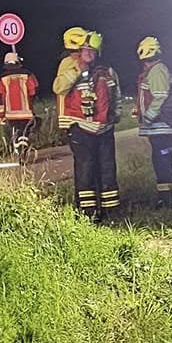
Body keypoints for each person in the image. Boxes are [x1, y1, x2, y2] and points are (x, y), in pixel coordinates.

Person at [54, 27, 119, 218]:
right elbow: (59, 88)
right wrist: (77, 70)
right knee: (86, 169)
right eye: (85, 49)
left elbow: (116, 95)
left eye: (92, 50)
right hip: (79, 127)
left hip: (104, 128)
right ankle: (88, 212)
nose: (89, 53)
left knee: (107, 169)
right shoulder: (69, 64)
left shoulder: (107, 70)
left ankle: (110, 210)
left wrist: (115, 116)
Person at [135, 36, 172, 210]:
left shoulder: (157, 71)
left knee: (164, 160)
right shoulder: (155, 70)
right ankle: (165, 197)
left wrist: (148, 116)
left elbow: (161, 97)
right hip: (157, 127)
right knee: (159, 160)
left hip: (161, 126)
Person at [0, 50, 38, 158]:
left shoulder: (1, 77)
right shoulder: (27, 74)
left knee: (16, 131)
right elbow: (33, 90)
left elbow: (0, 97)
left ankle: (18, 149)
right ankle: (23, 150)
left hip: (10, 113)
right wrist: (30, 104)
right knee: (25, 132)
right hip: (26, 111)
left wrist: (0, 116)